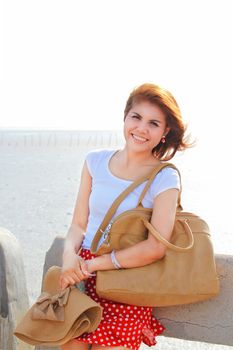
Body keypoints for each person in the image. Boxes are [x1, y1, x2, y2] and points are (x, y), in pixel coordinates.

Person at [60, 83, 191, 350]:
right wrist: (68, 258)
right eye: (136, 117)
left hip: (127, 285)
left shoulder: (165, 177)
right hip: (82, 279)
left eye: (153, 123)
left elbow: (156, 247)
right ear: (125, 117)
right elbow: (78, 224)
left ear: (165, 132)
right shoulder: (94, 161)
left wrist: (95, 265)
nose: (141, 128)